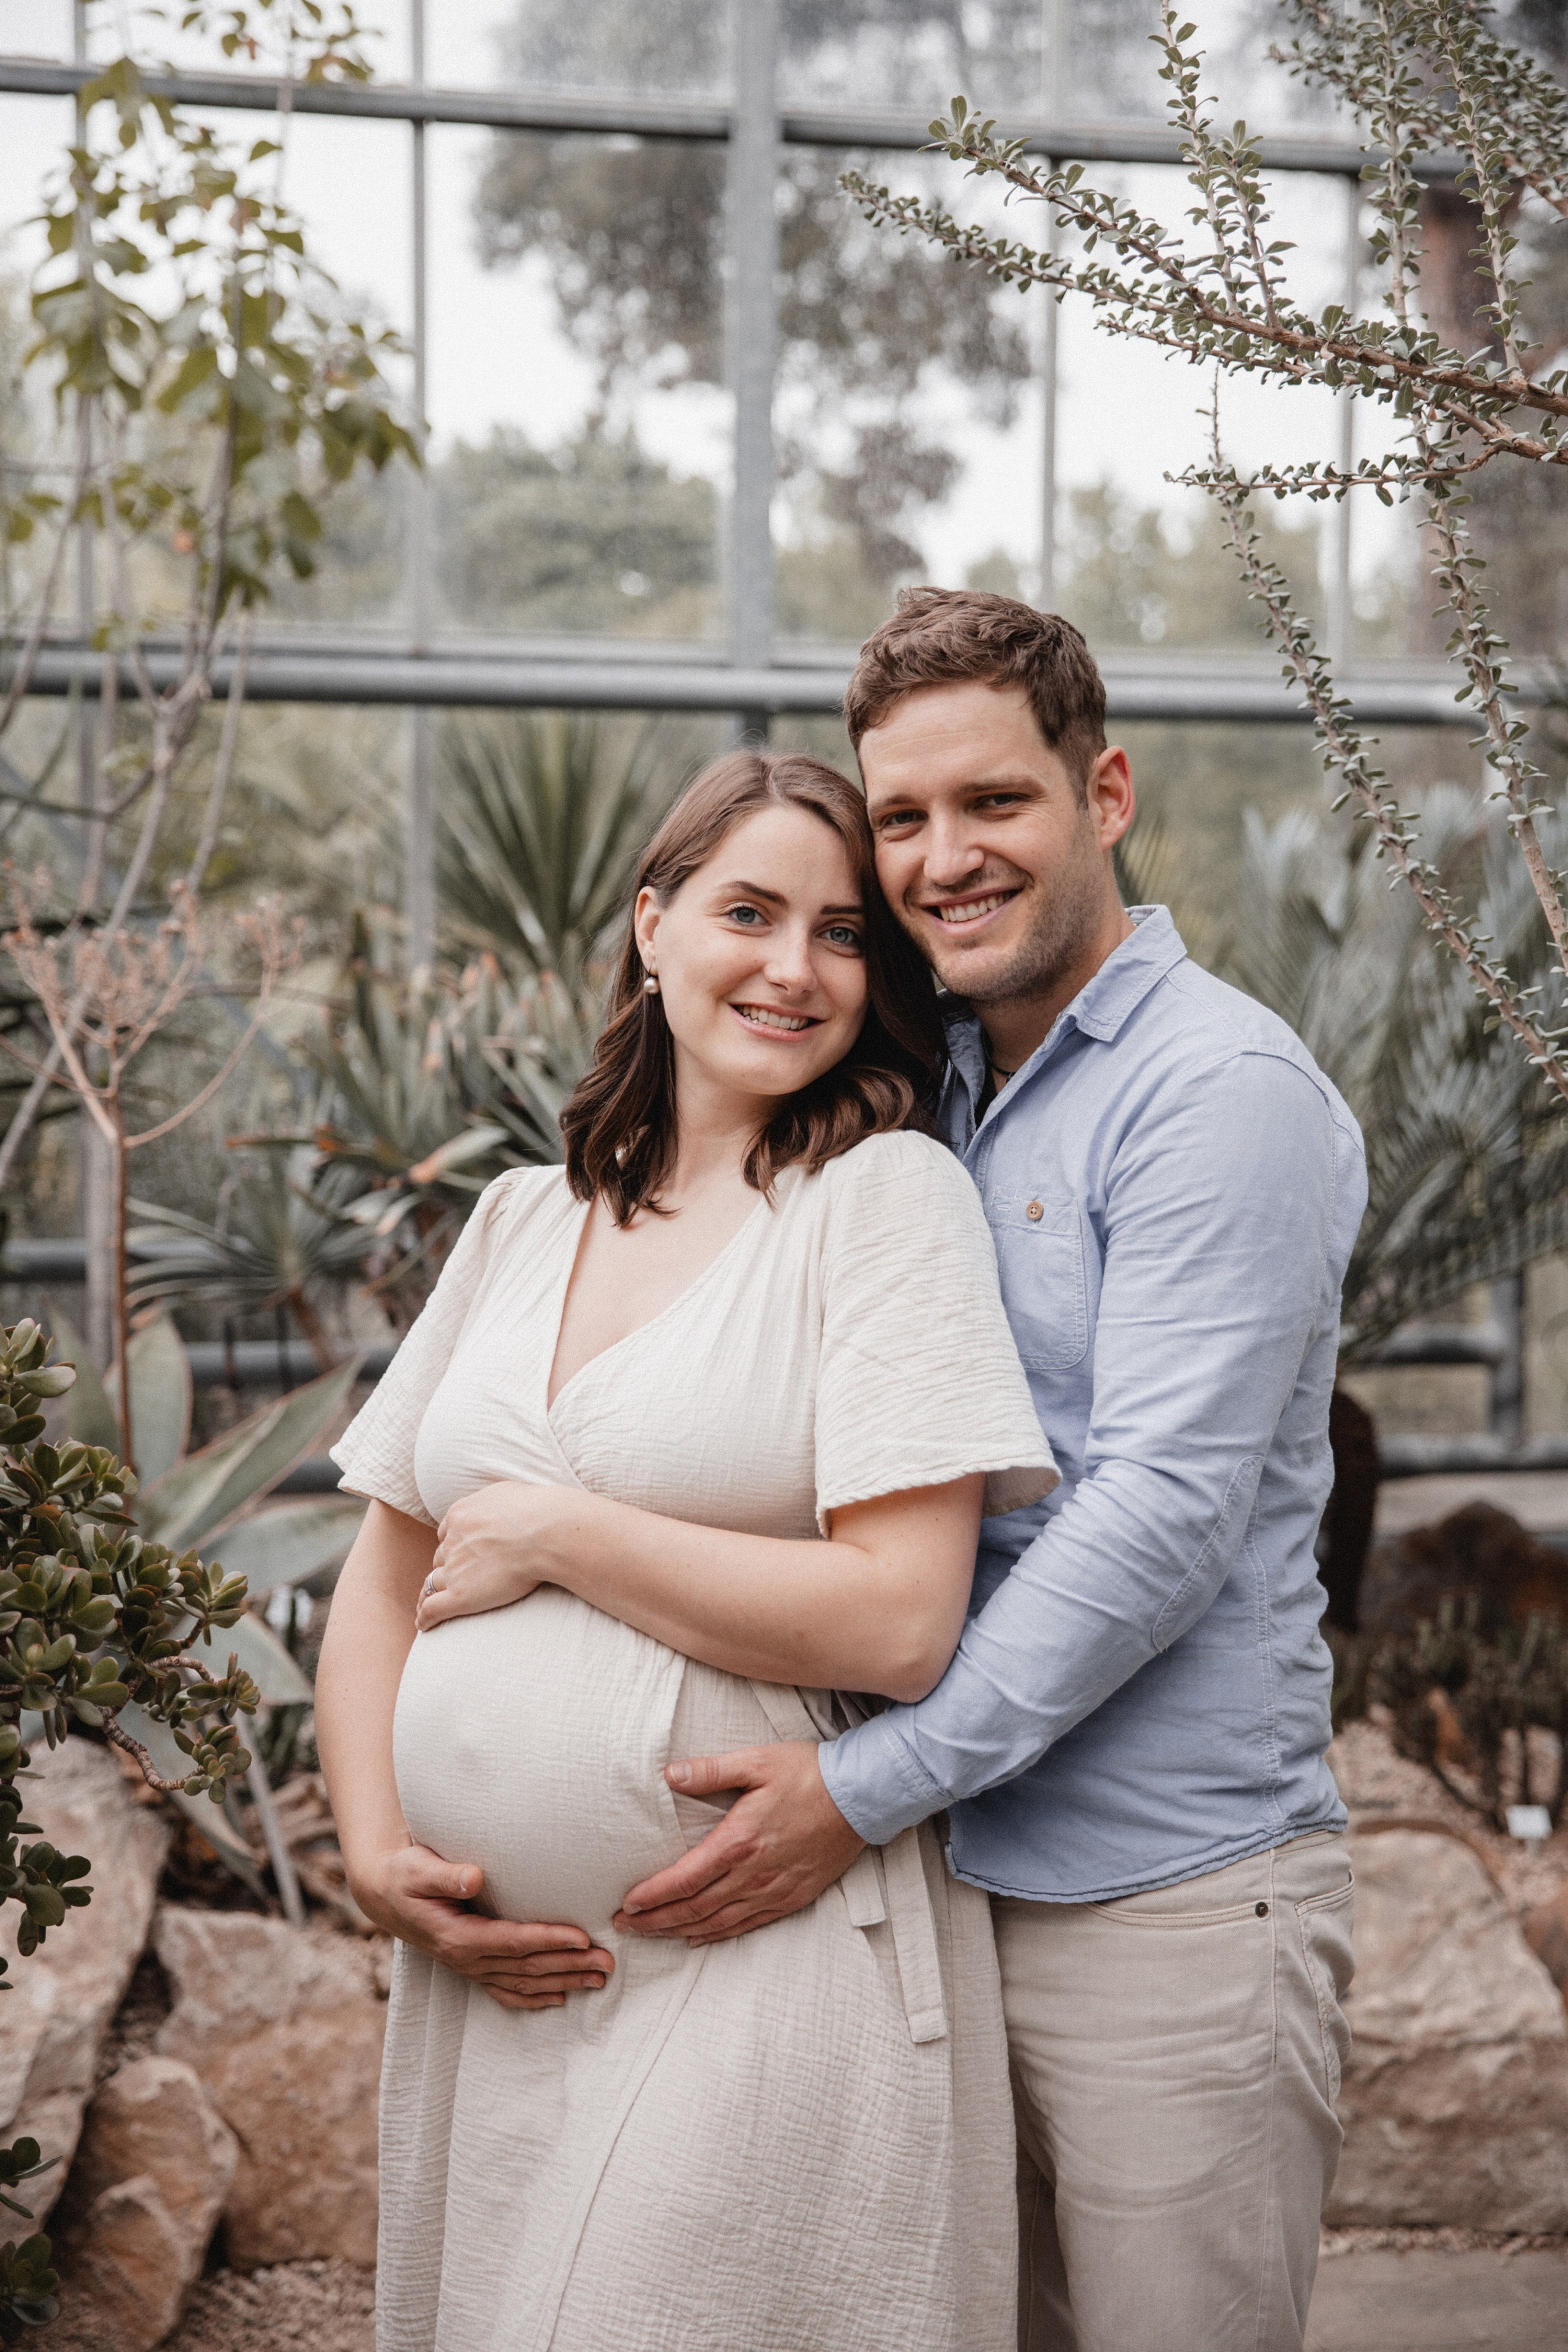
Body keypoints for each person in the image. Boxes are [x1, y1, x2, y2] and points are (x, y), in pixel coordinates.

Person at [609, 594, 1367, 2352]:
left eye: (995, 804)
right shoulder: (921, 1084)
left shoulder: (1216, 1092)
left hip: (1164, 1906)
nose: (942, 858)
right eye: (903, 819)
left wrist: (863, 1787)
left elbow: (1160, 1524)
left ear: (1103, 793)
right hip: (940, 1893)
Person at [314, 747, 1057, 2352]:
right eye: (748, 912)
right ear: (650, 929)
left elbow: (899, 1619)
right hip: (493, 1988)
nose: (794, 968)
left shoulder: (882, 1201)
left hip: (756, 1970)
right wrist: (379, 1858)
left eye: (845, 931)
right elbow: (381, 1586)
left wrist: (568, 1534)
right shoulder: (520, 1220)